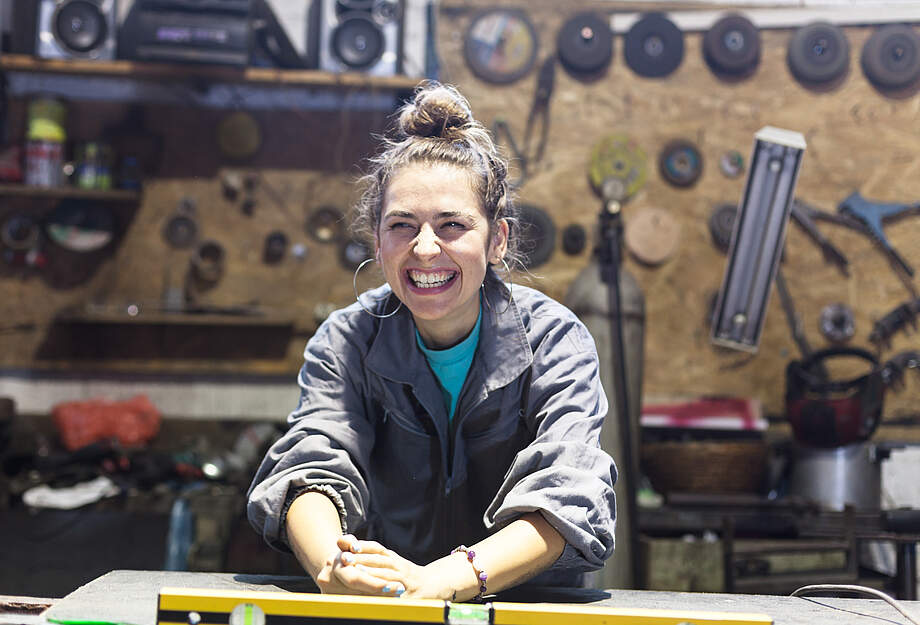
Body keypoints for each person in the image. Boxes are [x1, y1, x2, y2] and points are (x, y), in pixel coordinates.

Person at [247, 82, 616, 602]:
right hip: (386, 604)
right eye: (402, 225)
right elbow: (312, 464)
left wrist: (445, 580)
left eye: (452, 225)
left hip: (522, 605)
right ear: (377, 240)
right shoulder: (346, 340)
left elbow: (570, 490)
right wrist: (333, 568)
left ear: (497, 239)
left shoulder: (555, 340)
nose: (424, 249)